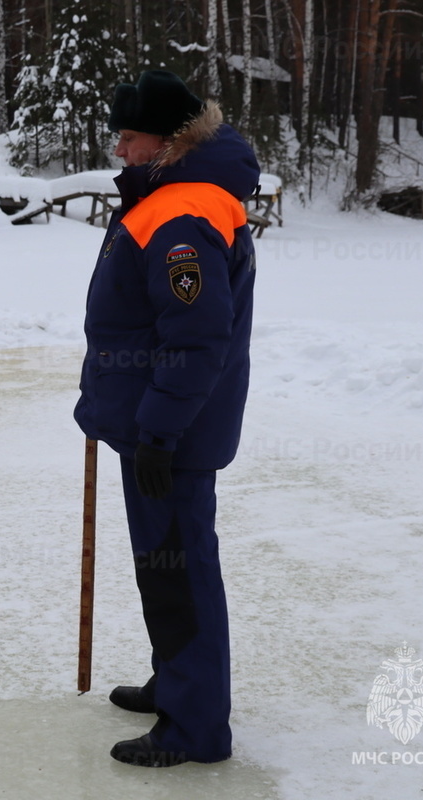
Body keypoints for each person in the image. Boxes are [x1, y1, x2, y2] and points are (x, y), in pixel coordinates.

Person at [74, 70, 260, 766]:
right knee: (166, 568)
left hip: (170, 437)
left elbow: (196, 337)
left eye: (129, 137)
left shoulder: (182, 213)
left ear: (169, 140)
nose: (119, 150)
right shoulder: (171, 196)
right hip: (157, 425)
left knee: (180, 571)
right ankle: (177, 681)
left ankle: (195, 727)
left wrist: (156, 432)